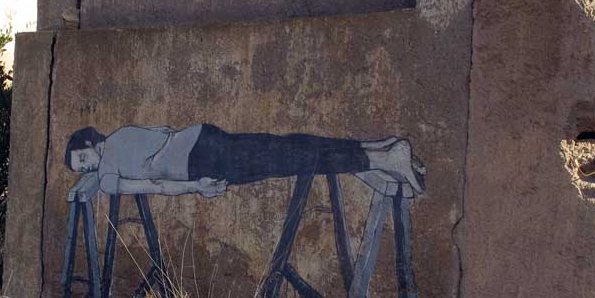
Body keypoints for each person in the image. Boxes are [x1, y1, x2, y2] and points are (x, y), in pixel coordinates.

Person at [65, 123, 425, 197]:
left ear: (90, 143)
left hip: (204, 164)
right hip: (204, 136)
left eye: (83, 158)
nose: (86, 168)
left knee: (290, 159)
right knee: (287, 146)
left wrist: (197, 188)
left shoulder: (109, 176)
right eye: (82, 169)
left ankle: (385, 158)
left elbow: (155, 185)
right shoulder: (122, 133)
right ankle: (377, 147)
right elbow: (166, 131)